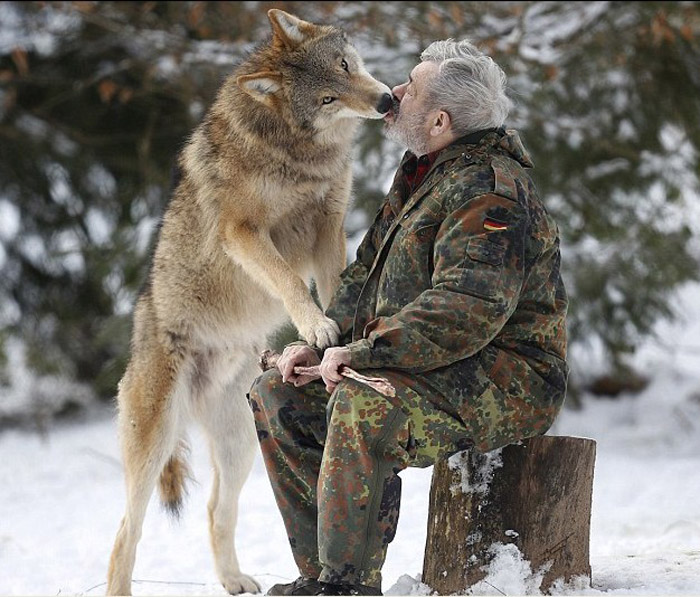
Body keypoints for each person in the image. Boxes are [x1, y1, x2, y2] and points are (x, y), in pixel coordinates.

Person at [248, 38, 568, 597]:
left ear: (440, 119)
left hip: (510, 376)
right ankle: (320, 575)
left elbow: (465, 310)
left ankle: (348, 585)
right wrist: (322, 346)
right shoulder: (423, 172)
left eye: (411, 87)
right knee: (278, 394)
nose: (394, 90)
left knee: (363, 402)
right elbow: (362, 276)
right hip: (429, 361)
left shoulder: (490, 190)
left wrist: (364, 356)